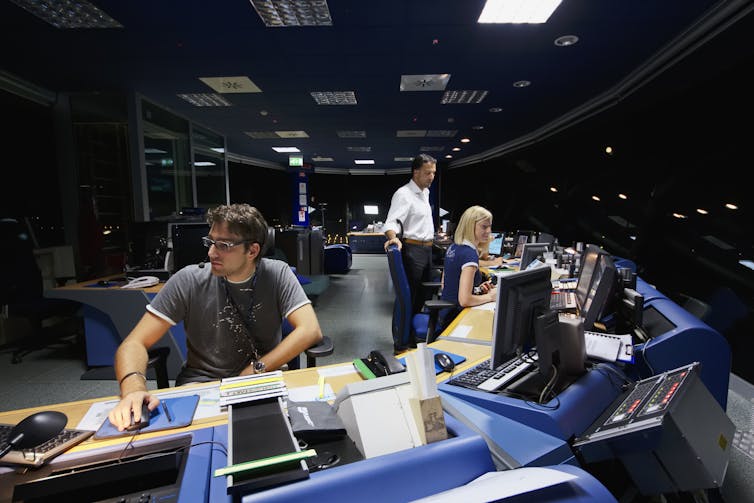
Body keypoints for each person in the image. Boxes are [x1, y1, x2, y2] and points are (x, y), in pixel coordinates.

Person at [107, 204, 323, 430]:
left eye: (224, 245)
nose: (211, 252)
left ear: (252, 251)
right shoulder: (188, 280)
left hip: (260, 382)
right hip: (202, 386)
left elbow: (310, 329)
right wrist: (133, 389)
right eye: (210, 242)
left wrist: (257, 368)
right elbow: (133, 343)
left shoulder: (277, 273)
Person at [383, 154, 437, 342]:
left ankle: (411, 334)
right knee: (409, 298)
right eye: (427, 173)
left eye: (433, 173)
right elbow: (391, 222)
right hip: (413, 251)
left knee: (423, 296)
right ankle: (403, 338)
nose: (431, 177)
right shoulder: (404, 194)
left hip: (427, 250)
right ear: (416, 172)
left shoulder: (425, 192)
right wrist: (393, 238)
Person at [437, 206, 498, 333]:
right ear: (471, 225)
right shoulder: (469, 254)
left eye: (489, 226)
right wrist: (491, 297)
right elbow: (464, 300)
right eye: (484, 226)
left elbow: (446, 283)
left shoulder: (454, 247)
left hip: (444, 313)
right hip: (455, 318)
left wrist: (478, 289)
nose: (489, 231)